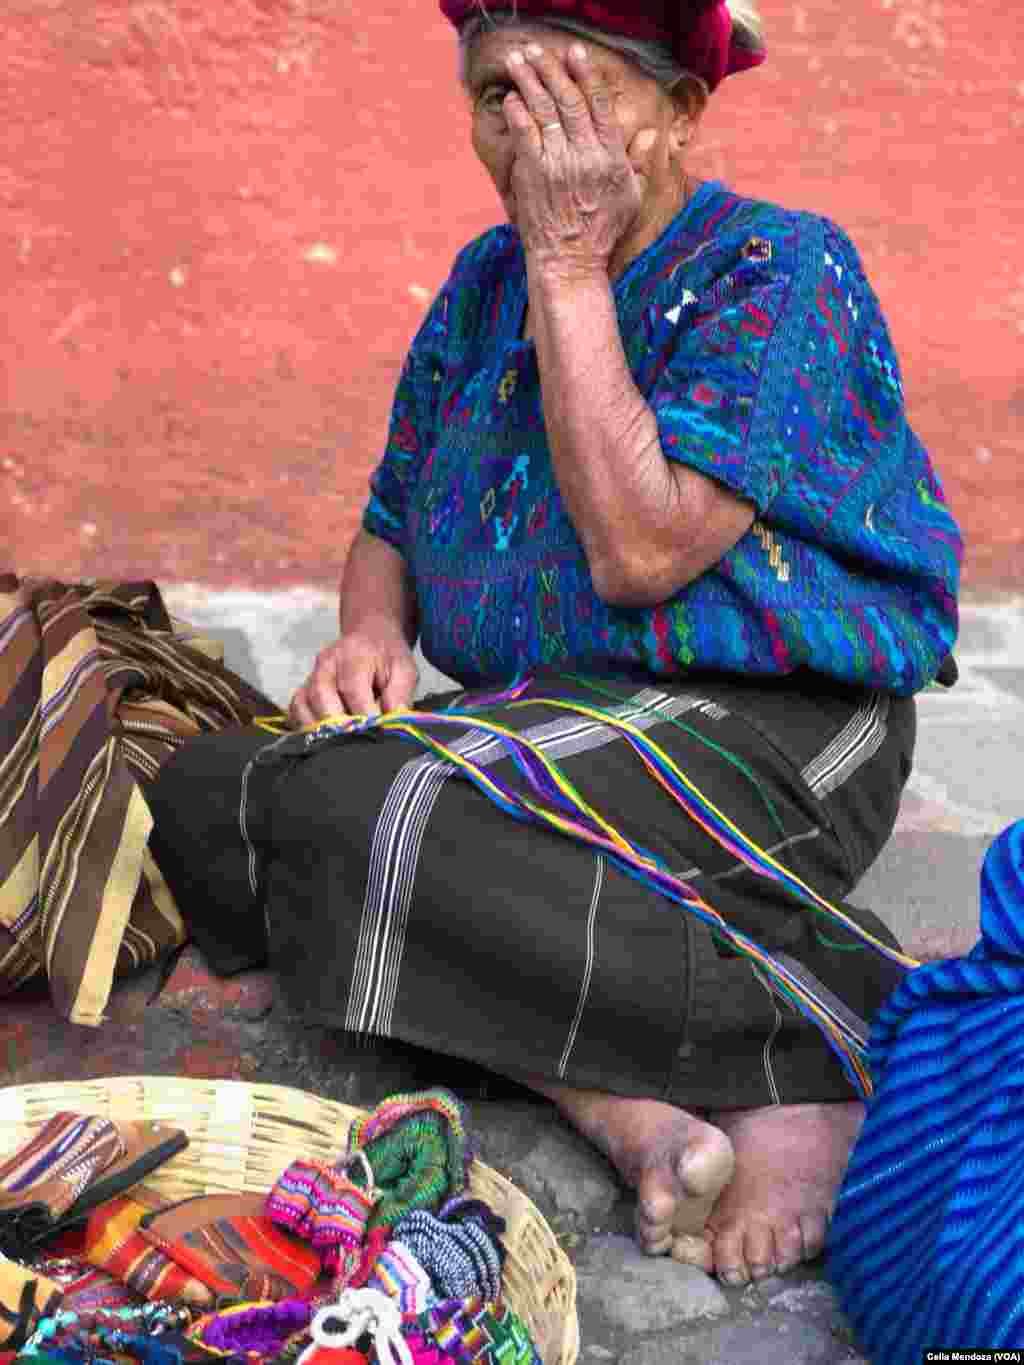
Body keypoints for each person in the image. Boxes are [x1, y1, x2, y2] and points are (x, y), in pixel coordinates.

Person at [146, 0, 963, 1288]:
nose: (534, 133)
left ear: (682, 112)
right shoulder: (481, 282)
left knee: (379, 810)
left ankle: (814, 1053)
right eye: (497, 99)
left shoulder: (776, 268)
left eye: (574, 93)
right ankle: (609, 1096)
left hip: (775, 714)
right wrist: (370, 630)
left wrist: (572, 271)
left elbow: (642, 552)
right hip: (555, 715)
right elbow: (392, 520)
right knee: (216, 791)